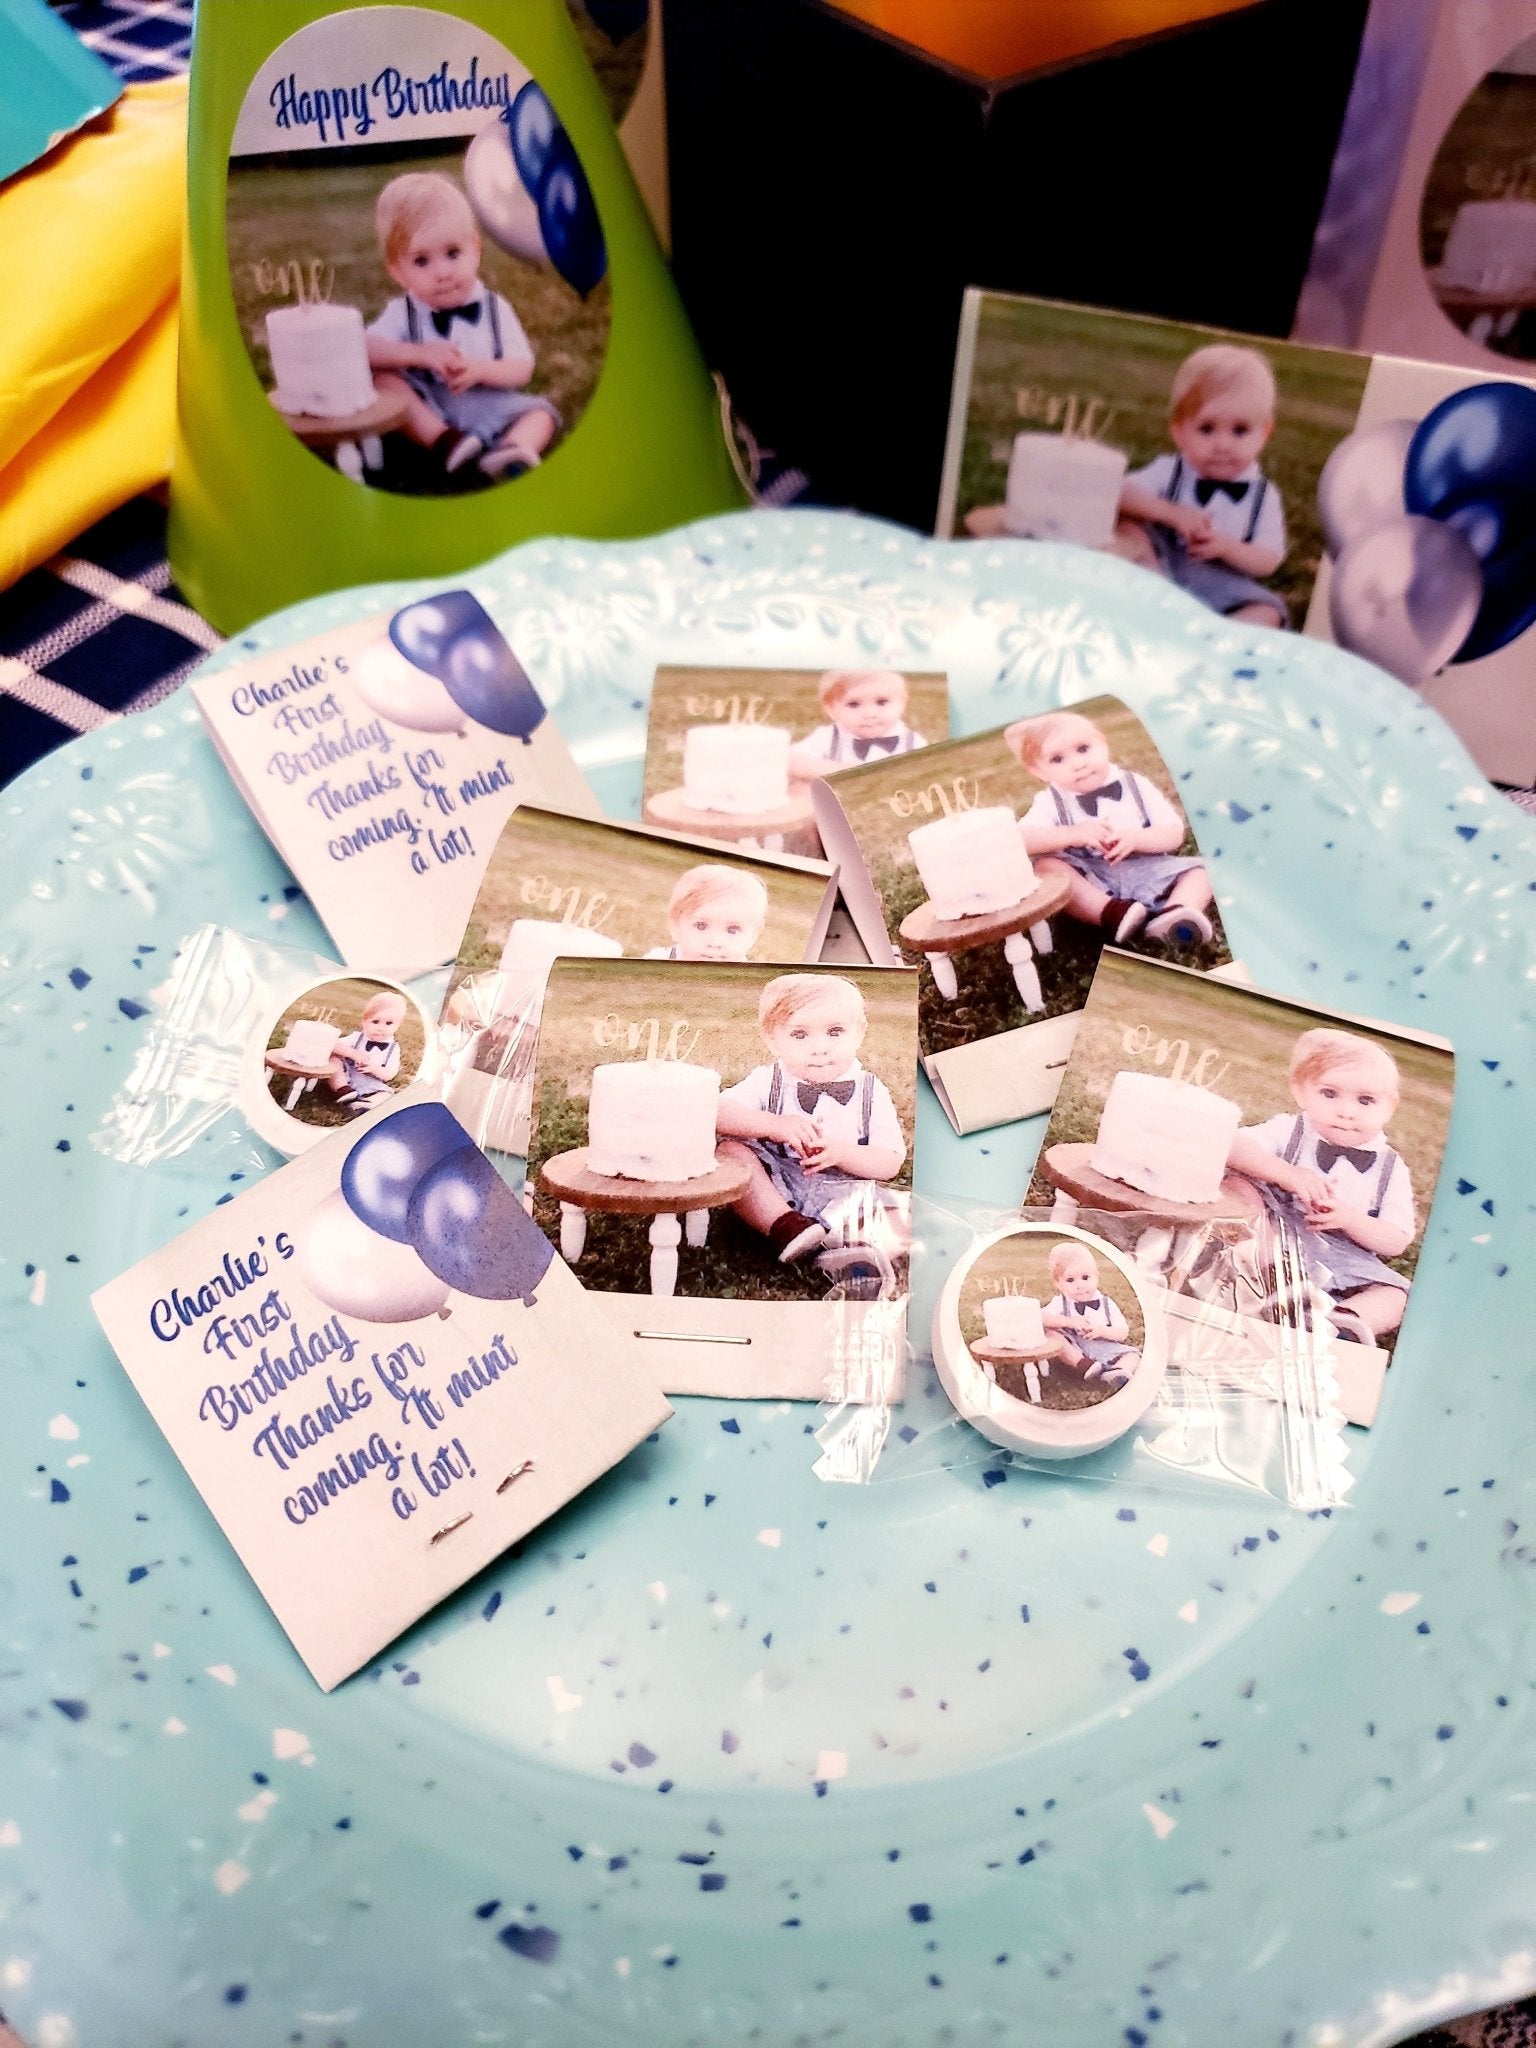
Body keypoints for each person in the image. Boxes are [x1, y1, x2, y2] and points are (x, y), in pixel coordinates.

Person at [366, 172, 560, 486]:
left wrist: (481, 370)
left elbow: (522, 368)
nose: (442, 272)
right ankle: (445, 442)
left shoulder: (495, 308)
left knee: (542, 415)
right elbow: (365, 350)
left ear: (476, 250)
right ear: (397, 271)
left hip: (490, 405)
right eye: (421, 261)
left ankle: (512, 450)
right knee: (384, 382)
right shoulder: (403, 312)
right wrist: (418, 354)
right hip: (429, 406)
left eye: (453, 254)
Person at [1226, 1028, 1415, 1345]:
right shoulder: (1289, 1130)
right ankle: (1272, 1283)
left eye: (1366, 1100)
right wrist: (1287, 1174)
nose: (1346, 1111)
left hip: (1341, 1256)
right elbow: (1232, 1145)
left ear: (1389, 1107)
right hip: (1272, 1237)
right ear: (1301, 1092)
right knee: (1238, 1187)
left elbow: (1396, 1239)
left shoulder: (1391, 1167)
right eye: (1329, 1094)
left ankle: (1337, 1324)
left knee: (1397, 1296)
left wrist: (1350, 1219)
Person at [716, 973, 905, 1264]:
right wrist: (773, 1125)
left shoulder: (870, 1090)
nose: (819, 1048)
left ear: (859, 1033)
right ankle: (786, 1227)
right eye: (800, 1035)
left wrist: (842, 1153)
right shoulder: (768, 1080)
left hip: (845, 1194)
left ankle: (847, 1250)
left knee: (905, 1218)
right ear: (772, 1039)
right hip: (778, 1187)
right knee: (730, 1153)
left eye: (835, 1032)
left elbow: (889, 1162)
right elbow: (717, 1112)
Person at [1008, 709, 1215, 946]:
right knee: (1046, 867)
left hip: (1150, 870)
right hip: (1093, 879)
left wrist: (1137, 839)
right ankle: (1112, 914)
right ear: (1038, 771)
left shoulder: (1136, 784)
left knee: (1203, 872)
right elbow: (1021, 840)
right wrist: (1070, 834)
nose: (1078, 764)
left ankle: (1175, 913)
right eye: (1057, 759)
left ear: (1102, 743)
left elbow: (1173, 833)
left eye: (1083, 749)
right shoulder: (1050, 802)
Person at [1116, 344, 1288, 629]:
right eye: (1206, 429)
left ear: (1264, 434)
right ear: (1179, 432)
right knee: (1129, 526)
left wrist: (1227, 547)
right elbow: (1119, 492)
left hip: (1223, 586)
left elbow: (1268, 559)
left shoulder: (1264, 496)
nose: (1222, 444)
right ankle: (1154, 597)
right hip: (1163, 568)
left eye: (1240, 430)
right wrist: (1171, 513)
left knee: (1268, 612)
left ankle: (1214, 635)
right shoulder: (1171, 470)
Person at [787, 669, 928, 779]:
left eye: (881, 702)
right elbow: (790, 760)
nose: (869, 714)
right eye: (853, 704)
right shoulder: (827, 737)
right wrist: (839, 770)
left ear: (902, 703)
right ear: (832, 710)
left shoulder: (913, 742)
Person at [1042, 1242, 1139, 1390]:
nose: (1079, 1285)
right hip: (1075, 1347)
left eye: (1085, 1277)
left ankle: (1118, 1371)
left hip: (1104, 1347)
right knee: (1051, 1334)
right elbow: (1042, 1318)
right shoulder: (1061, 1302)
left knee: (1133, 1355)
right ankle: (1083, 1365)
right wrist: (1069, 1322)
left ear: (1097, 1277)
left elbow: (1122, 1332)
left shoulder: (1107, 1303)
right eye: (1070, 1280)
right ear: (1058, 1283)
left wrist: (1102, 1331)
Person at [643, 865, 769, 962]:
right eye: (701, 926)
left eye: (732, 930)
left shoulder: (749, 980)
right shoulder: (656, 964)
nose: (715, 942)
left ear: (753, 935)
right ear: (675, 926)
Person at [326, 990, 408, 1113]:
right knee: (333, 1059)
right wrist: (353, 1054)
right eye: (375, 1021)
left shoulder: (393, 1048)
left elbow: (390, 1074)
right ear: (364, 1022)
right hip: (346, 1076)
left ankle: (365, 1104)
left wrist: (375, 1069)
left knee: (386, 1095)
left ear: (398, 1026)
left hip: (370, 1083)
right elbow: (333, 1044)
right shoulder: (356, 1037)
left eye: (389, 1023)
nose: (381, 1028)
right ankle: (342, 1090)